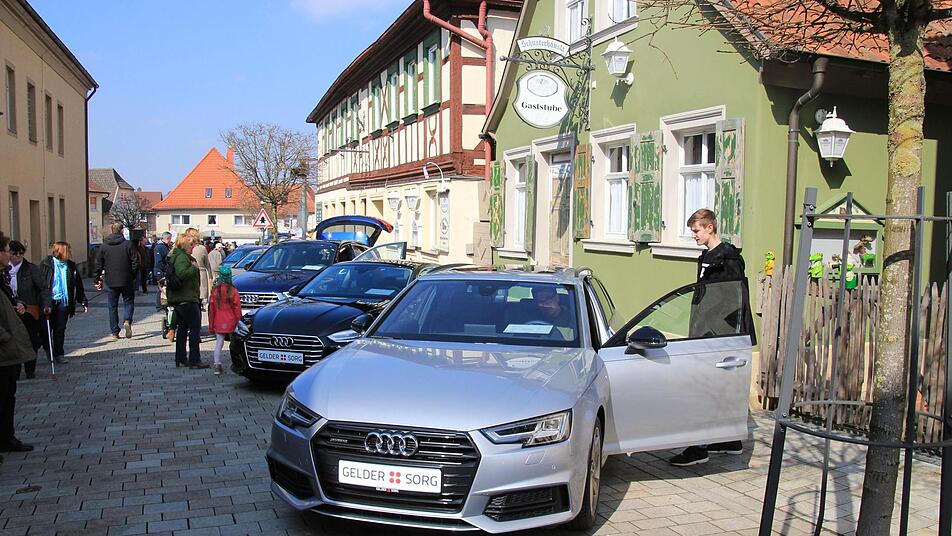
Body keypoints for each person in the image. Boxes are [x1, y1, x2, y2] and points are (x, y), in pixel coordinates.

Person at [669, 208, 747, 467]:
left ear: (710, 228)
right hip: (703, 331)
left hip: (717, 335)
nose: (693, 235)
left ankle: (698, 447)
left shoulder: (729, 259)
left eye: (696, 230)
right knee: (716, 386)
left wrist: (715, 332)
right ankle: (728, 440)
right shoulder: (706, 257)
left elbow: (733, 300)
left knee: (703, 387)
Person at [0, 232, 36, 459]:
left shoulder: (2, 276)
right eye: (6, 250)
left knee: (7, 396)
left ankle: (7, 437)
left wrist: (18, 306)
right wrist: (5, 337)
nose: (9, 254)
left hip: (9, 350)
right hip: (4, 347)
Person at [39, 242, 88, 365]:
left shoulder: (70, 266)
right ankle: (48, 348)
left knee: (60, 329)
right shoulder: (46, 265)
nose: (70, 252)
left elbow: (78, 284)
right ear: (61, 251)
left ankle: (59, 353)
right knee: (45, 329)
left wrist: (82, 300)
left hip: (63, 301)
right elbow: (40, 284)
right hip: (48, 301)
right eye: (68, 250)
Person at [167, 233, 209, 369]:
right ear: (185, 245)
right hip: (187, 299)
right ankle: (194, 359)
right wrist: (193, 267)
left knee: (183, 329)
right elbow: (182, 273)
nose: (193, 248)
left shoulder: (176, 256)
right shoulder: (182, 258)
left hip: (181, 299)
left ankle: (180, 358)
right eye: (191, 245)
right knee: (194, 329)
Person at [8, 241, 48, 379]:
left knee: (31, 340)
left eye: (21, 253)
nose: (18, 255)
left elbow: (43, 288)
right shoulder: (4, 270)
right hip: (11, 312)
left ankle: (30, 369)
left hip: (30, 311)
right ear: (9, 254)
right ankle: (16, 370)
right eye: (15, 253)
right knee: (15, 341)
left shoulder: (30, 269)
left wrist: (46, 305)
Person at [94, 222, 138, 339]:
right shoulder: (128, 245)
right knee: (128, 301)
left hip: (111, 279)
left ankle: (114, 331)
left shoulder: (104, 246)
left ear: (111, 230)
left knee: (112, 306)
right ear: (122, 231)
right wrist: (133, 275)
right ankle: (127, 320)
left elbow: (98, 263)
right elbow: (135, 262)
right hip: (126, 279)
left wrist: (97, 278)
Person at [207, 266, 240, 375]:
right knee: (234, 344)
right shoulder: (233, 291)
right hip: (232, 321)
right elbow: (237, 308)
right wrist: (239, 320)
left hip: (218, 321)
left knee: (219, 343)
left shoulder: (215, 291)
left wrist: (211, 325)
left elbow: (211, 310)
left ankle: (217, 364)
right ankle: (236, 363)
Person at [153, 232, 174, 340]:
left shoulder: (164, 247)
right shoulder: (160, 248)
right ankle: (160, 305)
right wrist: (163, 272)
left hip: (163, 273)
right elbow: (160, 262)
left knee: (164, 290)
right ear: (168, 238)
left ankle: (165, 306)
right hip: (161, 273)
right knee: (162, 290)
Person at [185, 229, 210, 309]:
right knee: (198, 300)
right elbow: (207, 264)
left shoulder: (184, 247)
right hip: (201, 274)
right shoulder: (201, 248)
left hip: (188, 275)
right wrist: (210, 276)